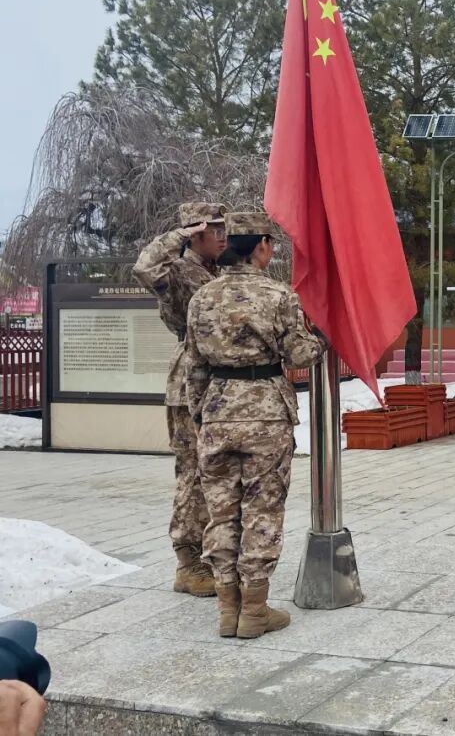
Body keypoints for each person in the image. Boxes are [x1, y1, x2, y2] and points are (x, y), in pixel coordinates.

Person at [185, 213, 324, 639]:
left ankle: (229, 609)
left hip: (218, 413)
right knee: (262, 512)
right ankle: (256, 610)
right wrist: (321, 338)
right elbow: (300, 355)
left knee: (221, 513)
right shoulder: (277, 295)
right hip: (265, 413)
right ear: (262, 245)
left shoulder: (202, 297)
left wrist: (201, 416)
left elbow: (194, 367)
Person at [133, 201, 228, 599]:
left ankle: (211, 553)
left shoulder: (216, 272)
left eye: (226, 229)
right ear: (195, 233)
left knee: (214, 472)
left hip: (218, 380)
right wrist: (178, 235)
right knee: (192, 474)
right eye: (215, 229)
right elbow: (144, 268)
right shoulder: (176, 270)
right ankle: (189, 563)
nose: (223, 236)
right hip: (189, 379)